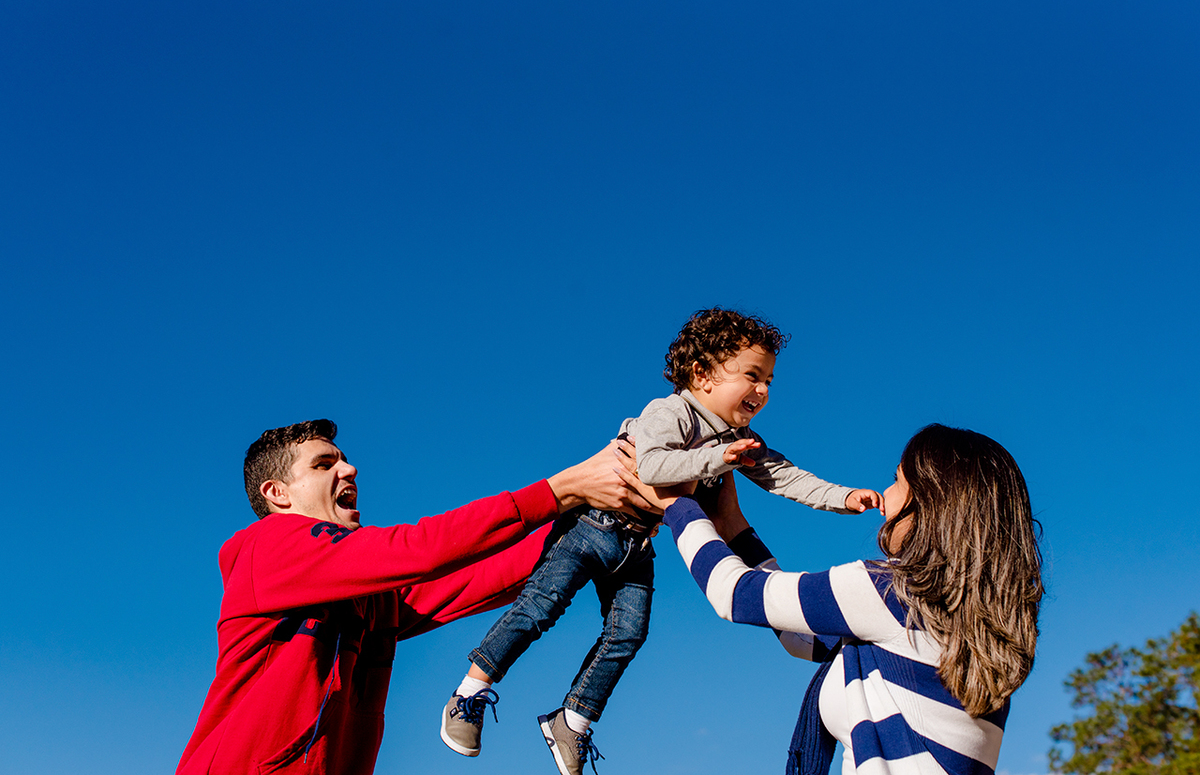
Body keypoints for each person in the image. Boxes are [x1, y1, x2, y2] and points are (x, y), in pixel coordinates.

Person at [441, 308, 880, 775]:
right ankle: (467, 695)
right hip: (590, 528)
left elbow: (784, 476)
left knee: (629, 633)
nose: (763, 391)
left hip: (637, 545)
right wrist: (717, 458)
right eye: (752, 376)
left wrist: (844, 497)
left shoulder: (738, 438)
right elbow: (652, 467)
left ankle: (572, 721)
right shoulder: (668, 412)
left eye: (769, 380)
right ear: (703, 374)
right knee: (539, 608)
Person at [175, 419, 650, 775]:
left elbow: (481, 579)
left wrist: (596, 523)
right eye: (324, 464)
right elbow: (418, 550)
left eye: (342, 459)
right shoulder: (267, 546)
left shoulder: (370, 598)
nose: (349, 468)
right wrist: (563, 489)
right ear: (276, 494)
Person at [643, 423, 1044, 775]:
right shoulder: (953, 625)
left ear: (929, 502)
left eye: (897, 480)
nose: (885, 495)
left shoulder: (890, 593)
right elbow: (806, 639)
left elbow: (735, 594)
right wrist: (731, 524)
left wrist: (676, 504)